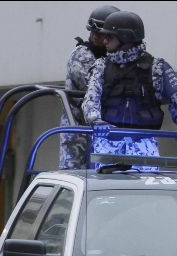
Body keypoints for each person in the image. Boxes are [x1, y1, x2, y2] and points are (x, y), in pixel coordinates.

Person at [81, 10, 177, 163]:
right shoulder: (101, 67)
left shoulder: (157, 68)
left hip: (145, 145)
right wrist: (95, 120)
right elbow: (91, 98)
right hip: (107, 144)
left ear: (125, 37)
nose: (104, 41)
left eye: (109, 37)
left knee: (146, 186)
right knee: (106, 186)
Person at [58, 5, 119, 170]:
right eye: (94, 32)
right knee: (76, 180)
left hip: (104, 132)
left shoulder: (116, 58)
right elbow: (96, 88)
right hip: (79, 133)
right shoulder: (81, 56)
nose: (97, 37)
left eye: (103, 34)